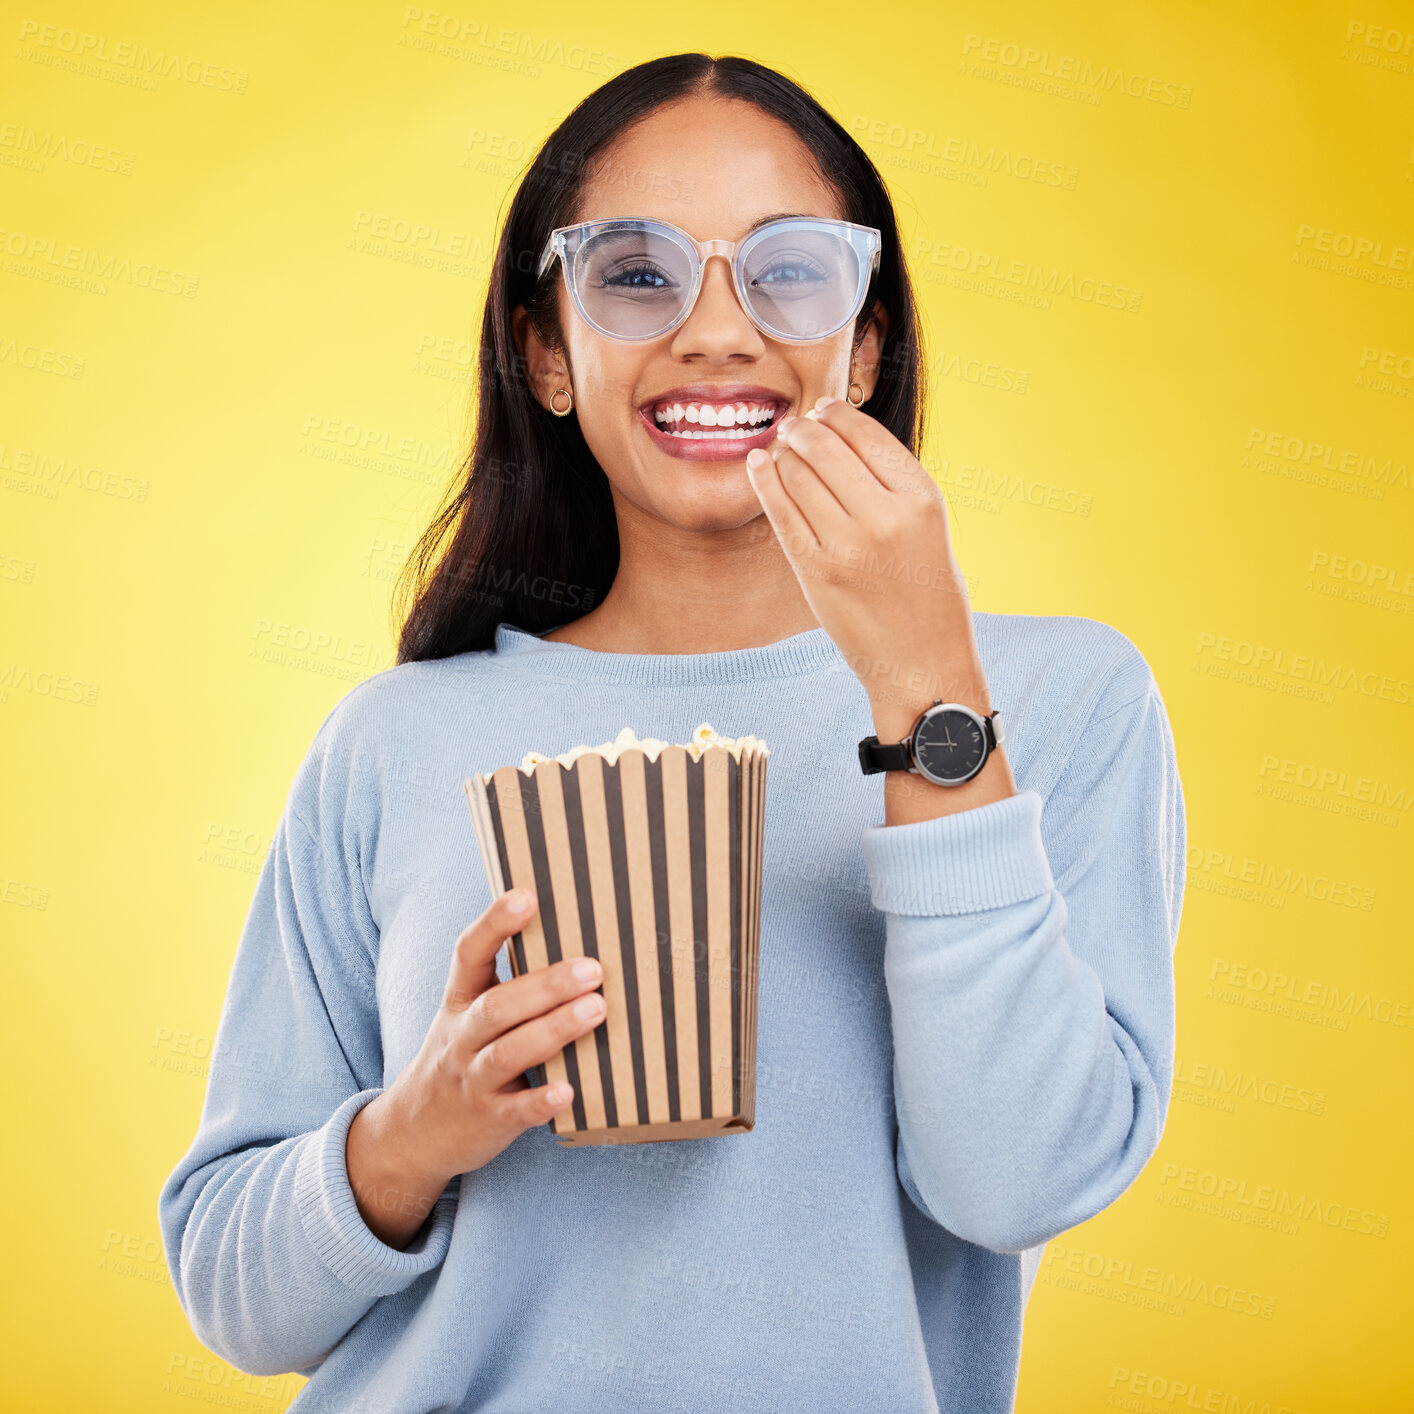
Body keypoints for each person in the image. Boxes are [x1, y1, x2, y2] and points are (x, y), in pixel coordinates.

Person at [159, 51, 1186, 1414]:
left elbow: (1018, 1181)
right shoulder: (394, 739)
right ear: (545, 350)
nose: (715, 329)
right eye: (636, 273)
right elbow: (234, 1294)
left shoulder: (1054, 702)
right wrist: (414, 1132)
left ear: (865, 344)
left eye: (789, 270)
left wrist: (926, 684)